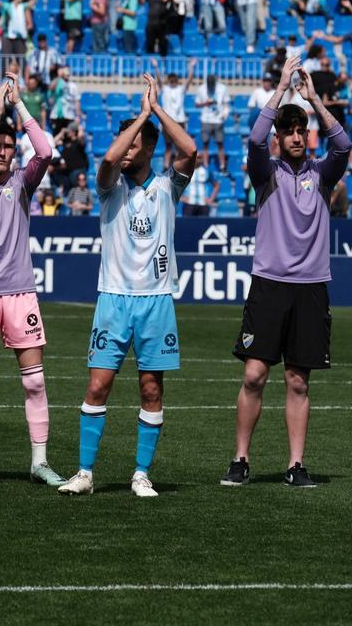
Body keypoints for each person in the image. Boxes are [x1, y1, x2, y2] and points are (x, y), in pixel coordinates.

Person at [58, 73, 197, 498]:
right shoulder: (108, 187)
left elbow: (190, 149)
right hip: (114, 300)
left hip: (155, 301)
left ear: (151, 148)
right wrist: (137, 120)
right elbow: (106, 160)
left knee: (151, 387)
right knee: (97, 385)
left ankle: (141, 473)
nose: (125, 152)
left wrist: (153, 111)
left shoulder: (167, 187)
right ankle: (84, 472)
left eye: (135, 144)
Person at [223, 55, 351, 488]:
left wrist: (313, 98)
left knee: (298, 380)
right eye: (289, 131)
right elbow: (255, 141)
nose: (297, 137)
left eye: (302, 131)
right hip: (270, 284)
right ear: (281, 137)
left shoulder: (323, 174)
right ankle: (240, 459)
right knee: (255, 374)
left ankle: (296, 465)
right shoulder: (267, 173)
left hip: (312, 287)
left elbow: (344, 145)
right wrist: (281, 89)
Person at [0, 73, 68, 486]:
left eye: (10, 146)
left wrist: (19, 105)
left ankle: (39, 461)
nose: (4, 151)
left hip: (20, 292)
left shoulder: (23, 183)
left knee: (35, 380)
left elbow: (45, 150)